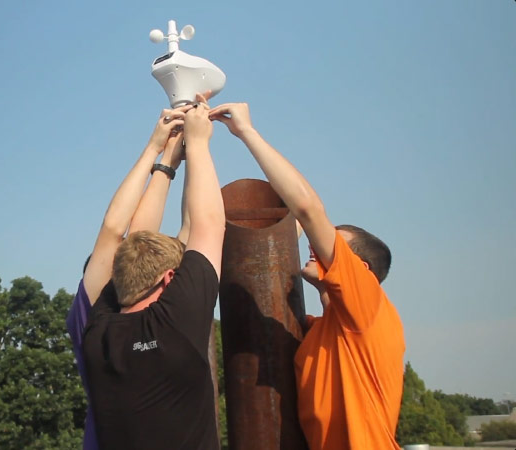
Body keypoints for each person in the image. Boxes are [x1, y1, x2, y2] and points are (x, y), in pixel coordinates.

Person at [209, 101, 404, 449]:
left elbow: (309, 210)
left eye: (333, 246)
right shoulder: (321, 330)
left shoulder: (368, 307)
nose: (317, 247)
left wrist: (246, 133)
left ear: (362, 271)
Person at [82, 94, 225, 450]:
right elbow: (206, 224)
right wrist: (198, 143)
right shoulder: (172, 325)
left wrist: (168, 160)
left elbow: (131, 236)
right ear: (169, 279)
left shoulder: (98, 336)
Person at [65, 103, 191, 449]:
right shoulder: (96, 319)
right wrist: (171, 153)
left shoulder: (113, 317)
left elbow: (126, 234)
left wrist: (170, 155)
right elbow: (119, 231)